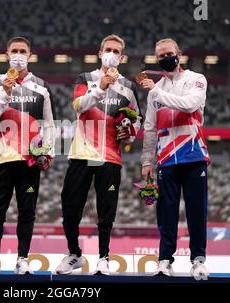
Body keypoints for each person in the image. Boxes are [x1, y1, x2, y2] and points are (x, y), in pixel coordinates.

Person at [56, 34, 141, 275]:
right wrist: (101, 86)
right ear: (100, 53)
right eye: (108, 49)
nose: (112, 54)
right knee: (70, 206)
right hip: (82, 153)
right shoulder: (85, 78)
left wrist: (130, 132)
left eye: (116, 50)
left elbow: (137, 119)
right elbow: (78, 106)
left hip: (110, 156)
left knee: (106, 209)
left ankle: (103, 257)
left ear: (122, 57)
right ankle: (74, 254)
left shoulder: (129, 87)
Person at [0, 36, 55, 274]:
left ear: (30, 55)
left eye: (23, 51)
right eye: (15, 50)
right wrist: (4, 93)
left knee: (27, 212)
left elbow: (50, 124)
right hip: (2, 158)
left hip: (30, 161)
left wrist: (49, 153)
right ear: (7, 54)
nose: (19, 55)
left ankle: (22, 259)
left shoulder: (42, 87)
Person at [139, 38, 210, 280]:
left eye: (169, 53)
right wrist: (147, 161)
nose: (165, 58)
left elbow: (190, 105)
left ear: (179, 54)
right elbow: (149, 128)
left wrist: (156, 91)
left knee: (196, 212)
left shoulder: (196, 79)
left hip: (194, 155)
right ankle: (164, 261)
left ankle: (198, 260)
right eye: (160, 56)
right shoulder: (154, 92)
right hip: (166, 158)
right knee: (166, 213)